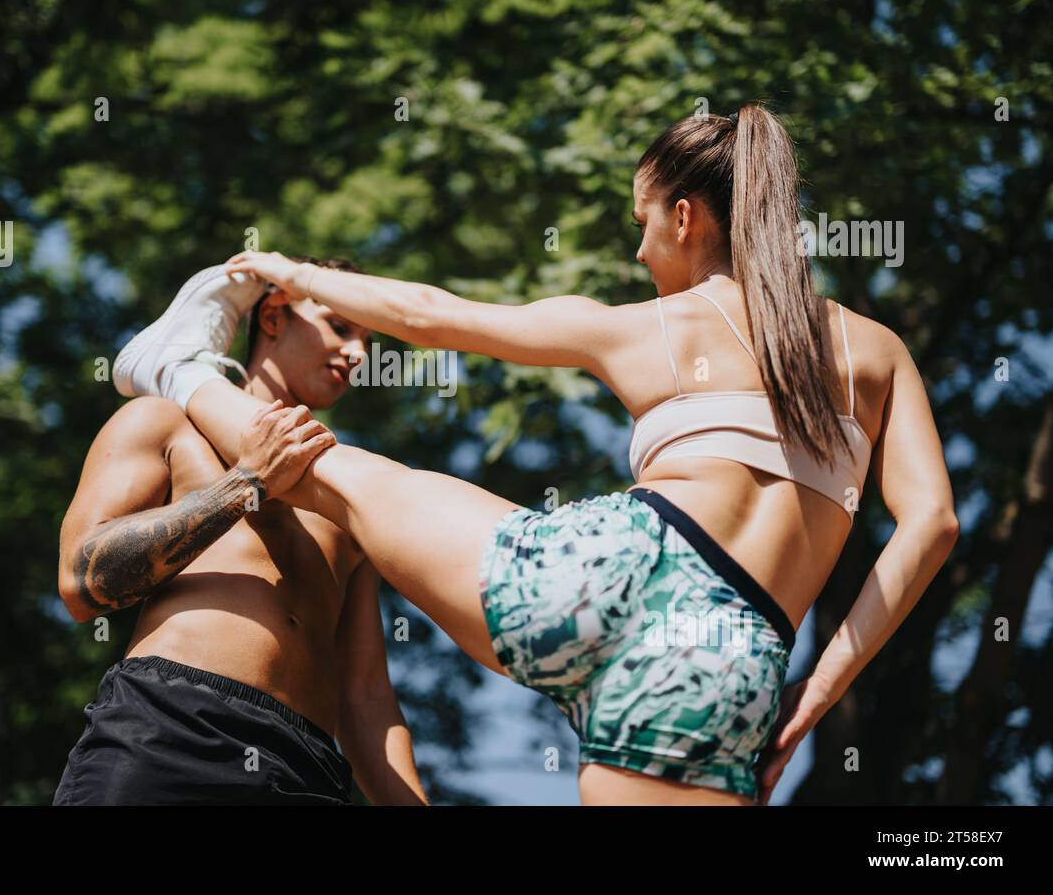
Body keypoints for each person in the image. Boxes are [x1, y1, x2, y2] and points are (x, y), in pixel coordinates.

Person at [115, 104, 959, 805]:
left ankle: (182, 372)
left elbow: (431, 315)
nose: (639, 253)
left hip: (605, 572)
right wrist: (818, 690)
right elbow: (933, 525)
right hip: (732, 653)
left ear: (684, 216)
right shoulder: (876, 352)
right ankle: (183, 371)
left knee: (350, 478)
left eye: (641, 225)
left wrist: (291, 270)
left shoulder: (642, 327)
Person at [53, 259, 427, 805]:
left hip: (310, 768)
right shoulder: (166, 422)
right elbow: (80, 583)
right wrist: (244, 483)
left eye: (369, 341)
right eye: (341, 327)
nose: (358, 354)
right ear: (274, 317)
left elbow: (364, 695)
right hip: (169, 727)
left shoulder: (350, 497)